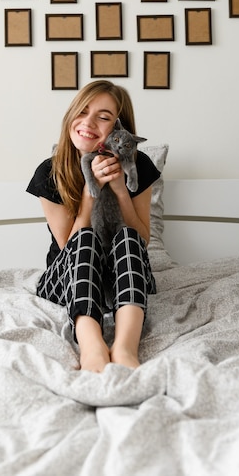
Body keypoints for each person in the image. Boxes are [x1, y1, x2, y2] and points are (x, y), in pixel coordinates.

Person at [26, 80, 160, 373]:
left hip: (124, 275)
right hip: (69, 276)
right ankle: (90, 344)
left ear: (118, 127)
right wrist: (91, 191)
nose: (88, 123)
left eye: (103, 116)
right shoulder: (50, 172)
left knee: (127, 237)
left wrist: (121, 190)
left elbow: (143, 239)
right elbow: (68, 247)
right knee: (86, 238)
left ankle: (125, 346)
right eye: (82, 112)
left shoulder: (139, 166)